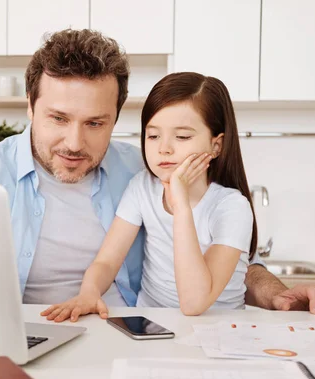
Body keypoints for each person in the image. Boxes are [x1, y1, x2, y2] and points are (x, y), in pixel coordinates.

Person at [0, 29, 315, 315]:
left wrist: (277, 294)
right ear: (30, 108)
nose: (75, 142)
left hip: (126, 333)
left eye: (95, 123)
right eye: (58, 118)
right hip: (19, 335)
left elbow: (238, 267)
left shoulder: (146, 170)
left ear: (117, 118)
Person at [42, 72, 260, 320]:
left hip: (217, 330)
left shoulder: (232, 207)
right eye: (153, 135)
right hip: (152, 324)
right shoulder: (142, 187)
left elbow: (194, 303)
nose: (164, 148)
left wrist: (181, 206)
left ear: (216, 145)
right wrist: (89, 292)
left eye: (182, 137)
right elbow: (107, 261)